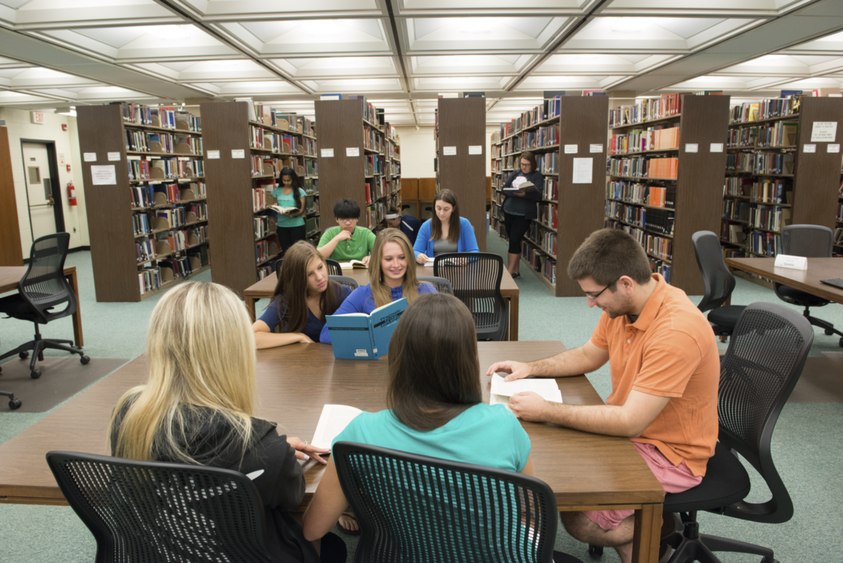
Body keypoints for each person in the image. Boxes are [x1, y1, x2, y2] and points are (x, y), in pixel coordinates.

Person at [486, 228, 719, 563]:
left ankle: (657, 524)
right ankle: (649, 545)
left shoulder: (675, 331)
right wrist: (531, 368)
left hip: (671, 451)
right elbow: (587, 355)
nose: (589, 303)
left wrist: (547, 410)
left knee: (576, 517)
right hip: (635, 431)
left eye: (594, 294)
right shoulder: (624, 308)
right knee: (549, 472)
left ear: (625, 283)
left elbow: (629, 421)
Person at [108, 282, 346, 563]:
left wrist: (272, 449)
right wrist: (277, 452)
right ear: (235, 353)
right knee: (332, 548)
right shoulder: (263, 449)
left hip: (166, 548)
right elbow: (292, 497)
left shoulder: (129, 414)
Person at [303, 292, 533, 542]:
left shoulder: (359, 435)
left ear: (400, 358)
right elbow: (531, 507)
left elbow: (312, 530)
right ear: (469, 359)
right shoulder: (504, 425)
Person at [320, 228, 437, 344]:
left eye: (402, 257)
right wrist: (370, 338)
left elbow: (447, 329)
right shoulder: (363, 294)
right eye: (388, 259)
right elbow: (326, 334)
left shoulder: (427, 291)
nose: (396, 265)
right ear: (378, 261)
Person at [253, 241, 353, 349]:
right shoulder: (287, 300)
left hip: (337, 361)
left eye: (320, 267)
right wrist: (298, 336)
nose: (319, 277)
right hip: (301, 363)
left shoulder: (342, 292)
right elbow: (251, 338)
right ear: (298, 279)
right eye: (309, 274)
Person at [501, 151, 543, 278]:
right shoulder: (515, 173)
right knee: (514, 241)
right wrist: (514, 192)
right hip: (509, 211)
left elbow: (539, 195)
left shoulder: (536, 176)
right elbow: (504, 189)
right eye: (522, 164)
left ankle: (509, 272)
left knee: (514, 239)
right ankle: (516, 271)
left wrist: (525, 194)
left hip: (523, 215)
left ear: (533, 165)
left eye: (527, 164)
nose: (524, 167)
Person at [413, 189, 480, 264]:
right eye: (438, 208)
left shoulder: (464, 224)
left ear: (453, 208)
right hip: (433, 269)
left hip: (458, 270)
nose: (441, 213)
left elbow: (475, 252)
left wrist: (466, 258)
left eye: (446, 209)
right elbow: (415, 251)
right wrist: (418, 256)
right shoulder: (426, 226)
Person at [317, 199, 376, 264]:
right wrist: (336, 239)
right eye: (343, 219)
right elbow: (318, 256)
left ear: (357, 219)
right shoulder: (329, 233)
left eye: (351, 219)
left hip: (361, 272)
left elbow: (381, 252)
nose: (348, 223)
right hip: (337, 273)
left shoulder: (366, 233)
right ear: (336, 219)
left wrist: (371, 257)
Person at [272, 166, 308, 253]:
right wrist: (276, 207)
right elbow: (274, 204)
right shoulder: (276, 191)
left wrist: (290, 214)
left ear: (293, 179)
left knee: (299, 253)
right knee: (286, 252)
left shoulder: (300, 191)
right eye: (284, 180)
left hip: (297, 226)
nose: (286, 182)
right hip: (282, 226)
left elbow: (301, 210)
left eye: (289, 180)